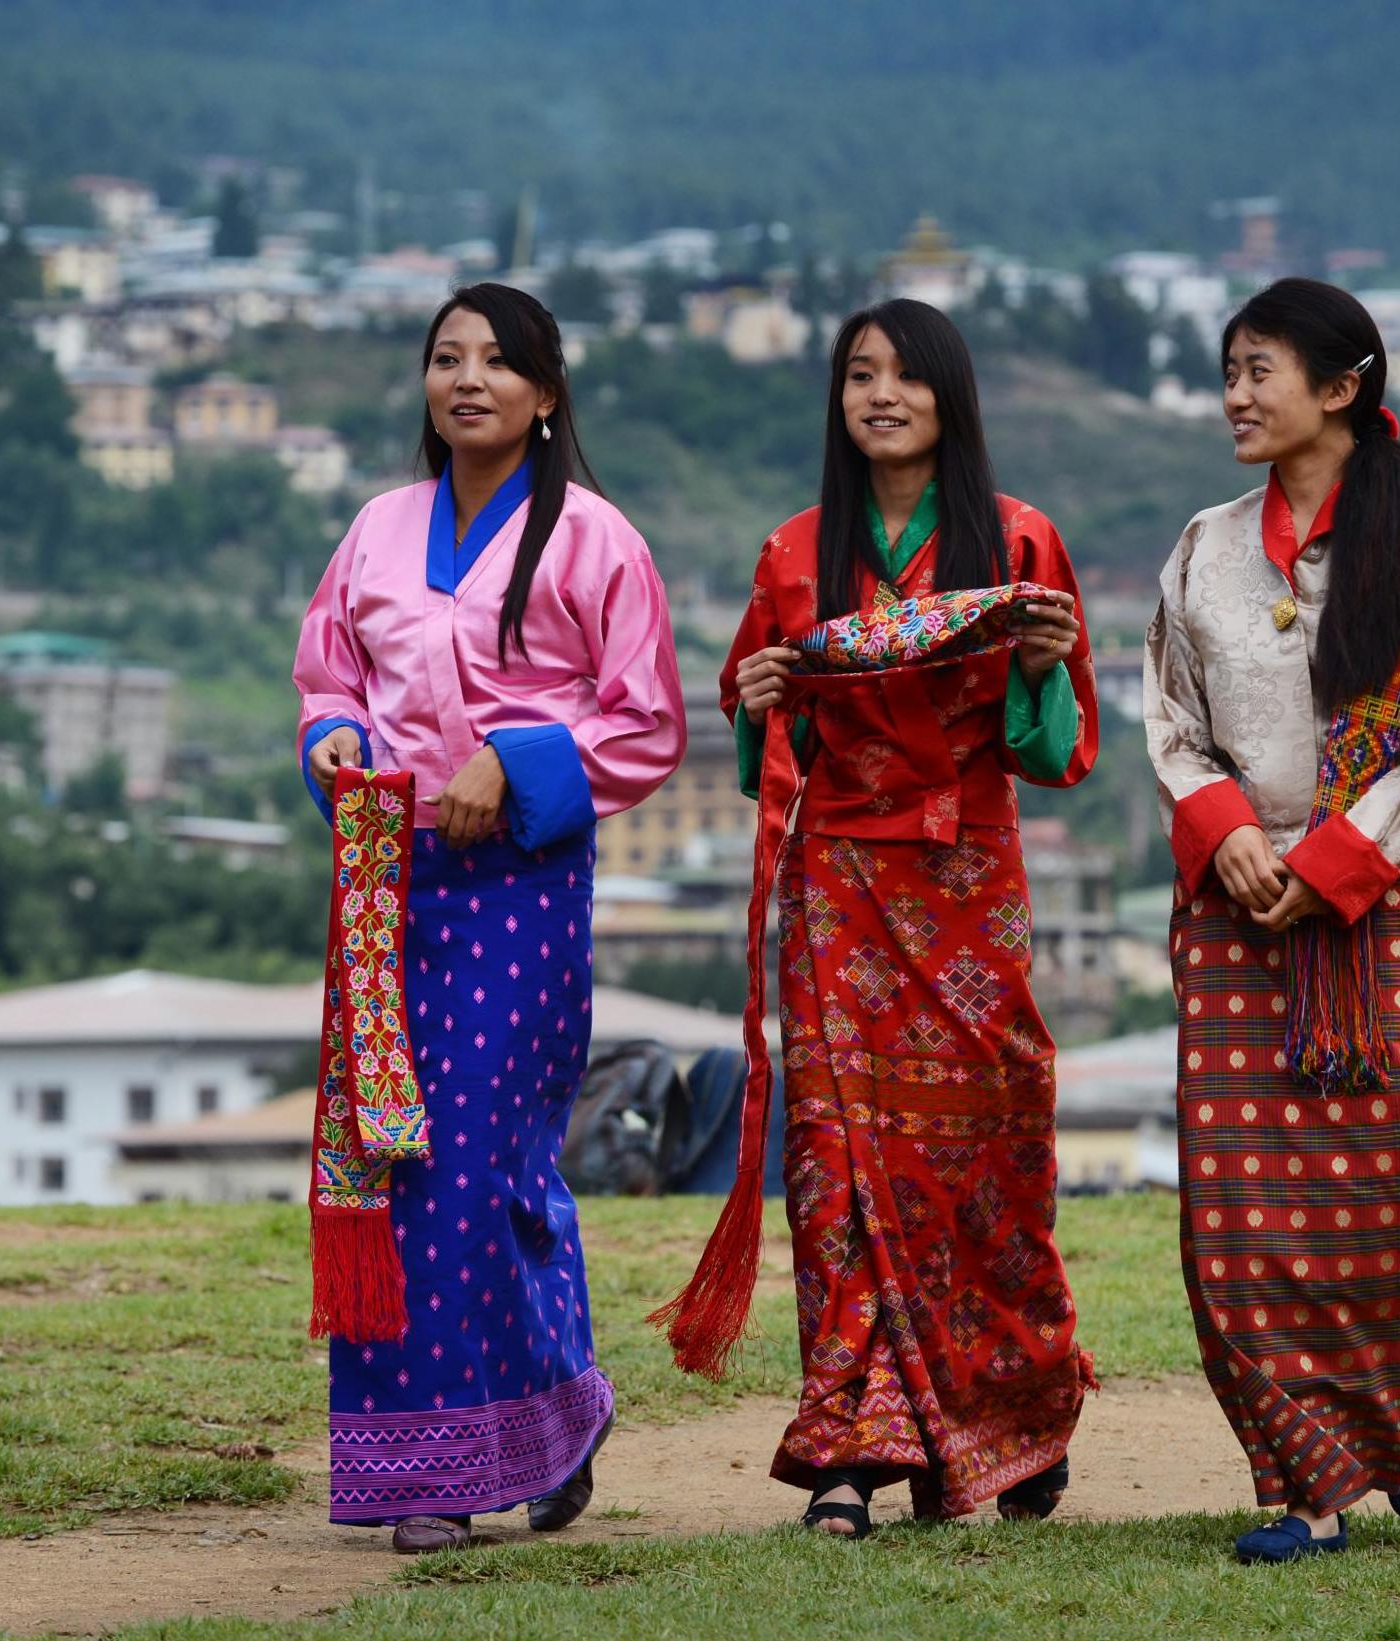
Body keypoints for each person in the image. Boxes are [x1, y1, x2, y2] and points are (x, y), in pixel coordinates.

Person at [671, 298, 1099, 1538]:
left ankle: (1012, 1418)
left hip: (969, 883)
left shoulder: (1023, 542)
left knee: (986, 1156)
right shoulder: (795, 552)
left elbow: (1055, 745)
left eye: (908, 375)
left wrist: (1033, 668)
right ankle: (851, 1443)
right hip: (841, 886)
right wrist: (753, 697)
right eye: (859, 373)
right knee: (836, 1164)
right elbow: (770, 750)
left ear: (951, 399)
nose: (880, 394)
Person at [292, 282, 685, 1554]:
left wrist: (514, 763)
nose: (468, 381)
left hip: (517, 884)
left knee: (479, 1162)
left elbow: (645, 723)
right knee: (393, 1162)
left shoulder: (595, 541)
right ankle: (459, 1452)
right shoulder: (377, 528)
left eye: (497, 362)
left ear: (545, 393)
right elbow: (325, 673)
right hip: (380, 880)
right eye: (445, 359)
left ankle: (492, 1445)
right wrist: (340, 736)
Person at [1144, 277, 1400, 1564]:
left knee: (1392, 1175)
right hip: (1240, 909)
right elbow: (1171, 724)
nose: (1235, 396)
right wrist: (1228, 834)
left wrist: (1345, 857)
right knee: (1241, 1212)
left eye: (1260, 371)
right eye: (1229, 371)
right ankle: (1299, 1478)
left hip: (1379, 909)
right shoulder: (1203, 547)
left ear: (1341, 388)